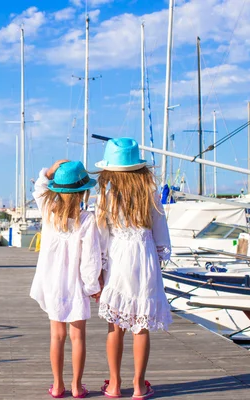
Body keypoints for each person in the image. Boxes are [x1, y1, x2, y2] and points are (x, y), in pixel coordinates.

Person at [94, 138, 172, 400]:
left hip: (118, 255)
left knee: (115, 325)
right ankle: (139, 386)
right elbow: (160, 228)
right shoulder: (149, 189)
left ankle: (114, 385)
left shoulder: (106, 192)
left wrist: (100, 267)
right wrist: (160, 254)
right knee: (141, 324)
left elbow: (101, 233)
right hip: (145, 254)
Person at [30, 160, 105, 399]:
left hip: (52, 282)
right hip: (75, 283)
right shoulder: (87, 219)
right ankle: (76, 386)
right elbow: (91, 259)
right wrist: (93, 286)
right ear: (83, 191)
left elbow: (40, 186)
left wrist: (49, 170)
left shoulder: (47, 210)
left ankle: (57, 385)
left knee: (57, 336)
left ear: (57, 190)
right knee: (77, 336)